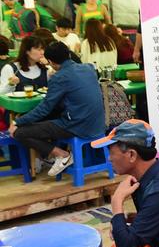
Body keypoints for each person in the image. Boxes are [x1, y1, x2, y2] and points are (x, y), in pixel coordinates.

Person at [11, 42, 104, 178]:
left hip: (77, 126)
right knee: (47, 119)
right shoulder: (89, 68)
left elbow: (44, 109)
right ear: (68, 54)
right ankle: (51, 157)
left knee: (20, 133)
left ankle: (62, 155)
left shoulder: (59, 78)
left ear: (51, 62)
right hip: (99, 124)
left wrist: (17, 122)